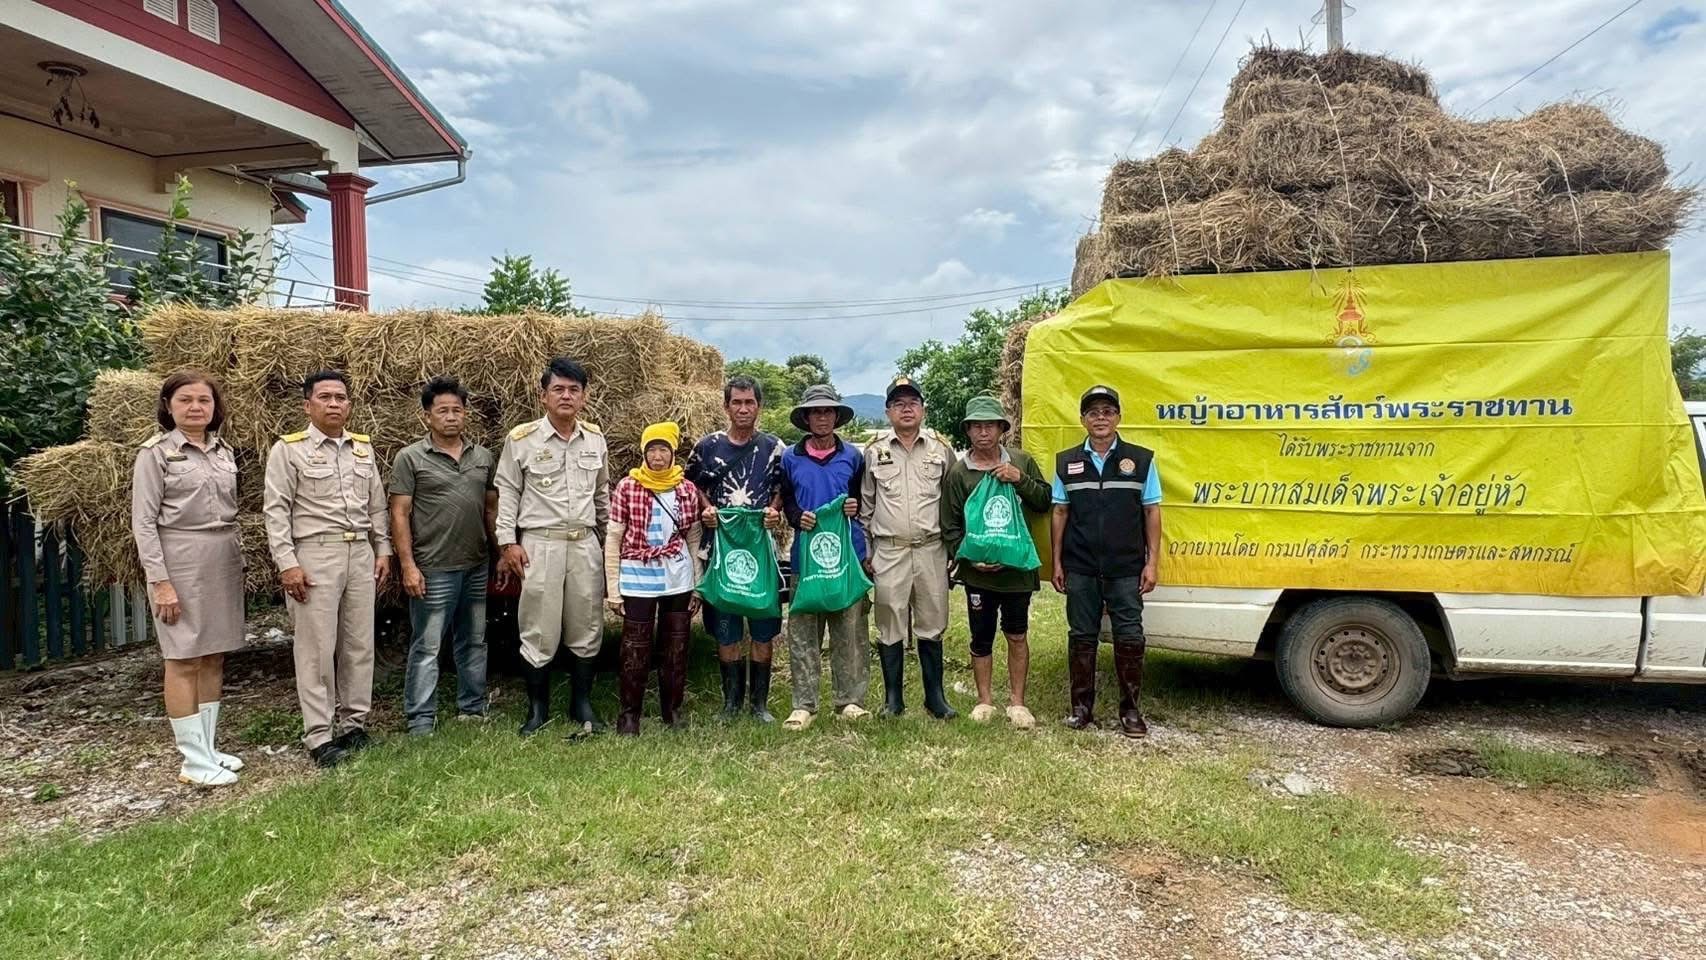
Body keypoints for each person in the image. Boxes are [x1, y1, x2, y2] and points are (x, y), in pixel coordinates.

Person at [263, 370, 392, 768]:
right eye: (325, 397)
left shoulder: (362, 449)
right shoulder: (289, 450)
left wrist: (383, 549)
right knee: (317, 649)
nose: (334, 404)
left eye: (341, 397)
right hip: (315, 554)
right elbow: (276, 511)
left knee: (358, 644)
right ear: (308, 405)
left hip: (359, 554)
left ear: (349, 405)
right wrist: (287, 563)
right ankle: (319, 735)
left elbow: (376, 505)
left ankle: (354, 724)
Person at [131, 370, 246, 786]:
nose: (196, 407)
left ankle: (208, 748)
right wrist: (160, 582)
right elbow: (144, 523)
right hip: (180, 560)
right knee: (182, 658)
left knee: (213, 654)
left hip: (222, 557)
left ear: (215, 407)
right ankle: (193, 761)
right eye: (185, 400)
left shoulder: (223, 451)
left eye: (204, 400)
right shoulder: (156, 454)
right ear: (168, 406)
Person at [495, 357, 611, 737]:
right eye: (558, 389)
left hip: (584, 543)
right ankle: (537, 709)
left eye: (574, 390)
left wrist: (609, 542)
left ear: (584, 397)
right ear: (543, 396)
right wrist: (507, 542)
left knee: (587, 623)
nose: (566, 396)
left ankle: (582, 703)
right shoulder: (522, 439)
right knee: (539, 627)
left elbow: (602, 494)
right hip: (540, 544)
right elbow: (508, 492)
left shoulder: (594, 439)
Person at [1049, 385, 1162, 738]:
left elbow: (1152, 511)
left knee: (1130, 638)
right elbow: (1060, 513)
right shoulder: (1066, 462)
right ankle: (1081, 710)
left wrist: (1152, 563)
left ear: (1118, 417)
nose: (1101, 418)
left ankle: (1130, 712)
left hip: (1126, 567)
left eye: (1108, 411)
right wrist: (1056, 562)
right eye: (1093, 412)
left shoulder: (1141, 460)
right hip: (1080, 566)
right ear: (1083, 419)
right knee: (1082, 637)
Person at [388, 376, 498, 736]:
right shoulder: (410, 458)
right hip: (433, 569)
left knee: (474, 641)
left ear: (465, 414)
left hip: (476, 565)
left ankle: (472, 708)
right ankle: (421, 717)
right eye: (443, 411)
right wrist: (408, 566)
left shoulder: (482, 457)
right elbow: (399, 514)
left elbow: (491, 510)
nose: (451, 417)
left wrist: (499, 554)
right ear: (427, 416)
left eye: (457, 410)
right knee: (428, 645)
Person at [940, 395, 1052, 729]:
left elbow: (1044, 501)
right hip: (979, 576)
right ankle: (984, 701)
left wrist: (1020, 479)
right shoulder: (960, 473)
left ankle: (1018, 703)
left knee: (1017, 634)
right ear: (968, 430)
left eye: (990, 425)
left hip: (1017, 572)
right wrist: (970, 560)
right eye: (976, 426)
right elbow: (950, 526)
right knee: (981, 637)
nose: (983, 432)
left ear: (1002, 429)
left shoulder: (1021, 461)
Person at [684, 375, 786, 722]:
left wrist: (774, 511)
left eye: (749, 402)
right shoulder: (707, 446)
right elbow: (691, 485)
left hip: (761, 551)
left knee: (762, 628)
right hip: (720, 551)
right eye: (737, 403)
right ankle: (730, 704)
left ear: (759, 406)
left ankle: (759, 705)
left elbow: (782, 488)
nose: (743, 409)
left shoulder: (774, 447)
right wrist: (706, 509)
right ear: (726, 407)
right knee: (726, 629)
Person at [860, 376, 956, 719]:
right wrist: (867, 551)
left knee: (932, 621)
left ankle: (935, 698)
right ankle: (893, 700)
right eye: (898, 404)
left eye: (913, 402)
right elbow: (866, 506)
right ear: (888, 412)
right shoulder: (874, 451)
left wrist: (953, 550)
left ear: (923, 409)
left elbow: (952, 503)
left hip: (931, 548)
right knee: (889, 622)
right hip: (890, 550)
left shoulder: (941, 449)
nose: (906, 409)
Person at [778, 384, 870, 730]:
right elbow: (787, 499)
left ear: (836, 416)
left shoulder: (853, 457)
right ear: (806, 418)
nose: (822, 417)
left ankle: (850, 701)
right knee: (803, 632)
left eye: (828, 411)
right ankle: (804, 704)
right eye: (815, 412)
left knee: (850, 630)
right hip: (806, 557)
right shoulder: (790, 458)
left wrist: (853, 506)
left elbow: (861, 498)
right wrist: (796, 516)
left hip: (847, 556)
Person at [604, 422, 704, 735]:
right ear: (643, 453)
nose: (657, 457)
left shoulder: (686, 489)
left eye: (663, 450)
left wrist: (698, 586)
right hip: (638, 573)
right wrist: (613, 589)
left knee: (676, 645)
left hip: (677, 574)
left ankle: (672, 710)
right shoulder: (628, 487)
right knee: (635, 646)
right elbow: (614, 538)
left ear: (673, 454)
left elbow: (694, 538)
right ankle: (629, 715)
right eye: (652, 450)